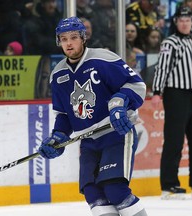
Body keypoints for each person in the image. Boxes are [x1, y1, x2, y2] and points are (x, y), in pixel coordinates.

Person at [37, 16, 148, 216]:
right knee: (94, 194)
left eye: (73, 37)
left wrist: (119, 103)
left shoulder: (102, 59)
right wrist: (58, 137)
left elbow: (136, 85)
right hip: (88, 142)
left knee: (115, 189)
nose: (69, 43)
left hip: (116, 133)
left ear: (83, 38)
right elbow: (64, 114)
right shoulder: (57, 74)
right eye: (63, 39)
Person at [151, 6, 192, 200]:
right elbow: (162, 68)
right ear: (176, 22)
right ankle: (169, 185)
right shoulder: (170, 43)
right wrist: (156, 91)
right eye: (182, 20)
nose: (185, 23)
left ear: (191, 22)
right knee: (174, 140)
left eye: (188, 20)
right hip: (175, 94)